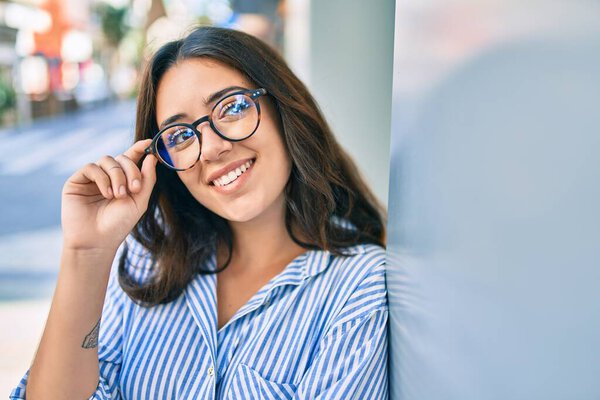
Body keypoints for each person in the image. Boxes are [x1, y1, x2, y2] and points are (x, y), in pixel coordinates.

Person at [11, 26, 388, 400]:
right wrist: (86, 253)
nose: (209, 149)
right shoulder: (149, 264)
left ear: (283, 108)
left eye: (233, 107)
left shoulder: (357, 287)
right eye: (179, 135)